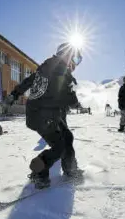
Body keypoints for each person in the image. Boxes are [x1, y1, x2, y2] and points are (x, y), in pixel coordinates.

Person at [6, 42, 83, 189]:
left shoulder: (47, 66)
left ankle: (70, 169)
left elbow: (29, 81)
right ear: (68, 55)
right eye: (76, 59)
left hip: (44, 113)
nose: (75, 64)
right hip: (43, 116)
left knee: (67, 137)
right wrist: (75, 100)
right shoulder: (60, 70)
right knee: (59, 146)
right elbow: (68, 97)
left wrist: (15, 94)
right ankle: (39, 172)